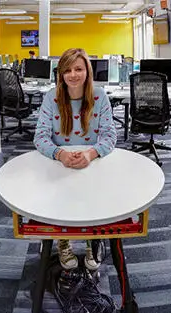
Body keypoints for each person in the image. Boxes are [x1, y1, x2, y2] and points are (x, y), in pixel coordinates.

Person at [33, 48, 118, 273]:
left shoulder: (99, 96)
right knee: (61, 202)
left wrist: (91, 154)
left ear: (87, 71)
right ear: (60, 74)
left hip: (91, 160)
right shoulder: (51, 97)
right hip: (59, 162)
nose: (73, 74)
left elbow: (110, 135)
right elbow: (40, 136)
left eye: (78, 69)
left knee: (91, 201)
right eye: (67, 70)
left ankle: (92, 242)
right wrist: (60, 154)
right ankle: (64, 241)